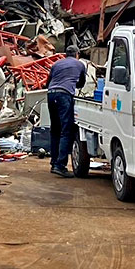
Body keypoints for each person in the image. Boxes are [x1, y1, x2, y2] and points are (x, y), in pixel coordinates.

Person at [46, 45, 86, 178]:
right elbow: (81, 84)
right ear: (77, 54)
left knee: (55, 130)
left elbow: (48, 82)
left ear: (65, 54)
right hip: (64, 95)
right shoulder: (80, 65)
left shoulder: (56, 64)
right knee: (66, 130)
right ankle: (60, 166)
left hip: (51, 94)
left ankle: (53, 163)